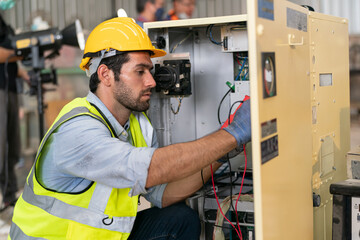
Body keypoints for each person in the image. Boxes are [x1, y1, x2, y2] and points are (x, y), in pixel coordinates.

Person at [9, 17, 251, 239]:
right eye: (139, 72)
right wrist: (231, 134)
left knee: (179, 220)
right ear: (105, 74)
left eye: (150, 70)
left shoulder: (139, 126)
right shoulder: (78, 130)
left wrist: (225, 151)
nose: (152, 81)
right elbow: (152, 168)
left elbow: (161, 195)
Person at [0, 0, 29, 211]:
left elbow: (12, 59)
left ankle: (9, 196)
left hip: (9, 89)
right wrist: (22, 51)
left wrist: (26, 75)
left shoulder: (4, 24)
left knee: (12, 145)